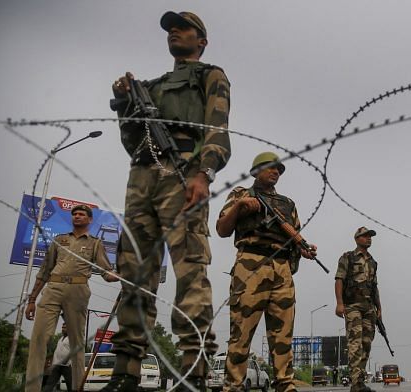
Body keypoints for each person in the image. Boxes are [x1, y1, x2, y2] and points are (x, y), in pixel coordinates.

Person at [104, 10, 231, 391]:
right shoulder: (152, 87)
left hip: (183, 174)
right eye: (170, 30)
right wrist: (125, 103)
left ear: (201, 40)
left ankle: (194, 367)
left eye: (184, 28)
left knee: (190, 271)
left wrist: (203, 173)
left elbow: (218, 129)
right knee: (135, 275)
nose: (174, 32)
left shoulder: (210, 75)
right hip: (142, 177)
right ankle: (125, 370)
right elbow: (132, 142)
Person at [216, 152, 318, 392]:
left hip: (282, 269)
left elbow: (295, 235)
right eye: (271, 168)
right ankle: (233, 385)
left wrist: (305, 249)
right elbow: (222, 229)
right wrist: (240, 207)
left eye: (280, 170)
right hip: (252, 263)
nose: (276, 172)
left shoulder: (287, 204)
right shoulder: (241, 194)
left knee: (282, 334)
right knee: (241, 331)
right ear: (255, 171)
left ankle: (285, 383)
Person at [24, 204, 118, 392]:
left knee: (76, 342)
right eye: (74, 214)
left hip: (78, 290)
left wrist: (118, 276)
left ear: (90, 220)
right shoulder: (59, 240)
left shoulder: (95, 243)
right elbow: (44, 271)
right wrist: (32, 300)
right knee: (39, 337)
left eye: (82, 214)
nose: (77, 216)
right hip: (53, 287)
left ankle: (77, 387)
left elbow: (106, 272)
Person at [334, 227, 381, 392]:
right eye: (365, 236)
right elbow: (339, 279)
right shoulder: (348, 257)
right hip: (352, 305)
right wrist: (339, 303)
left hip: (369, 307)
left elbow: (374, 286)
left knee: (366, 343)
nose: (369, 238)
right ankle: (356, 383)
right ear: (357, 239)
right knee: (355, 343)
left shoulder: (373, 262)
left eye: (370, 236)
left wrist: (379, 308)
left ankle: (360, 381)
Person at [43, 321, 73, 392]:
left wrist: (66, 360)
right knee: (50, 383)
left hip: (66, 365)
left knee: (70, 385)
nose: (63, 329)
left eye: (65, 327)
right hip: (56, 365)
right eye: (62, 327)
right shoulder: (60, 339)